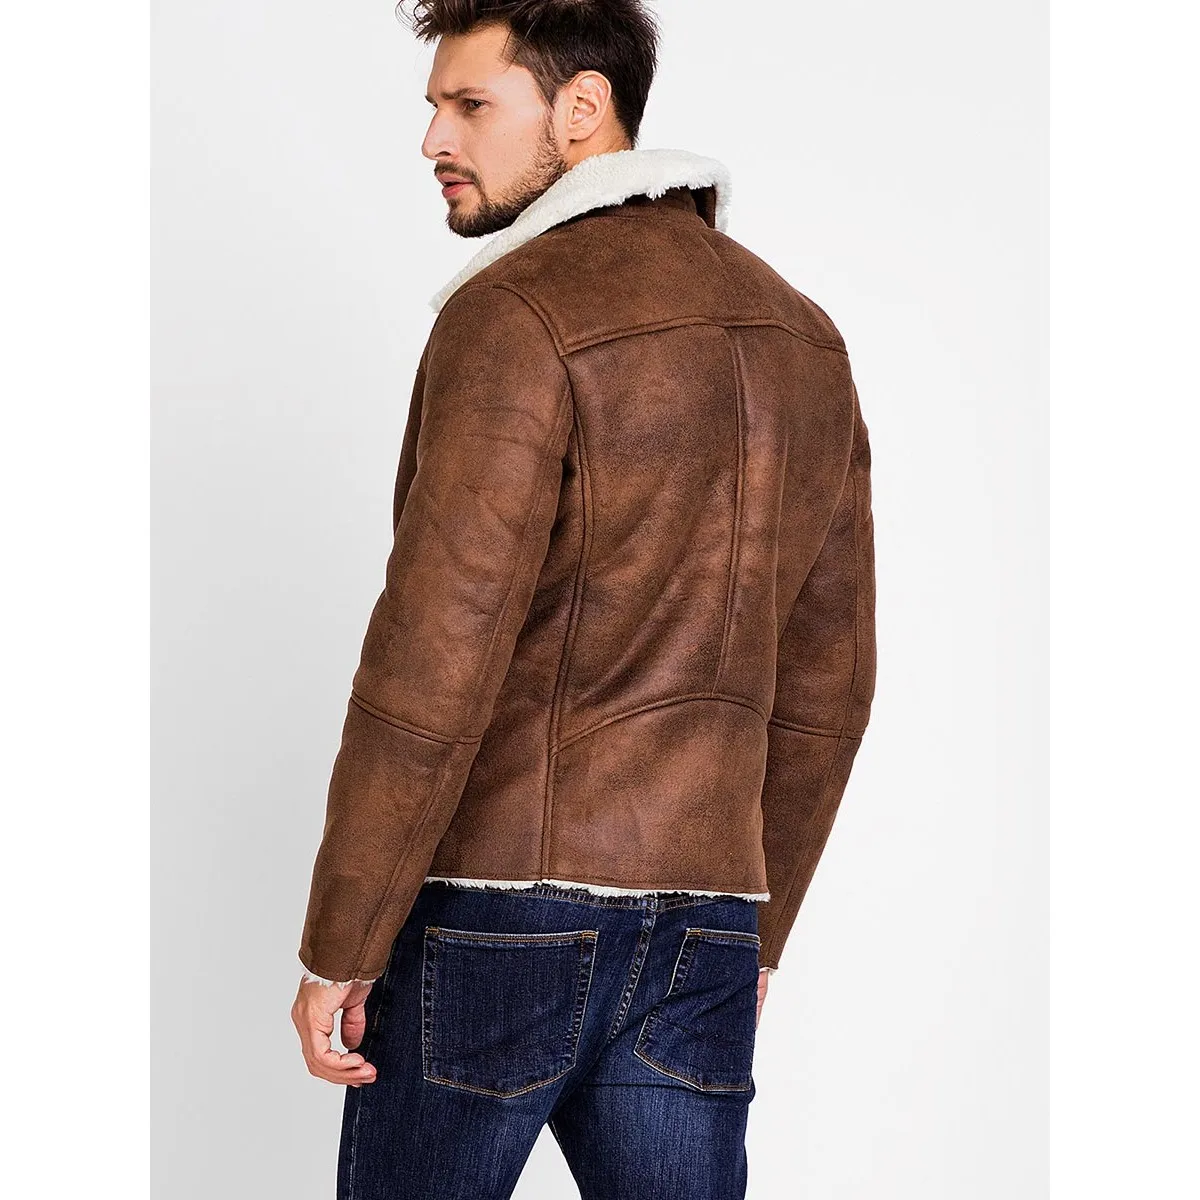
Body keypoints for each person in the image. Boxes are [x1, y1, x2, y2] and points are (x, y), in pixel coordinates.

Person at [291, 2, 877, 1196]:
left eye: (470, 105)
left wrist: (341, 944)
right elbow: (831, 683)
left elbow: (434, 654)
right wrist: (755, 928)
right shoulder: (804, 339)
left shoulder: (517, 313)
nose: (434, 140)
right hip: (708, 921)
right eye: (434, 108)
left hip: (499, 913)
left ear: (582, 107)